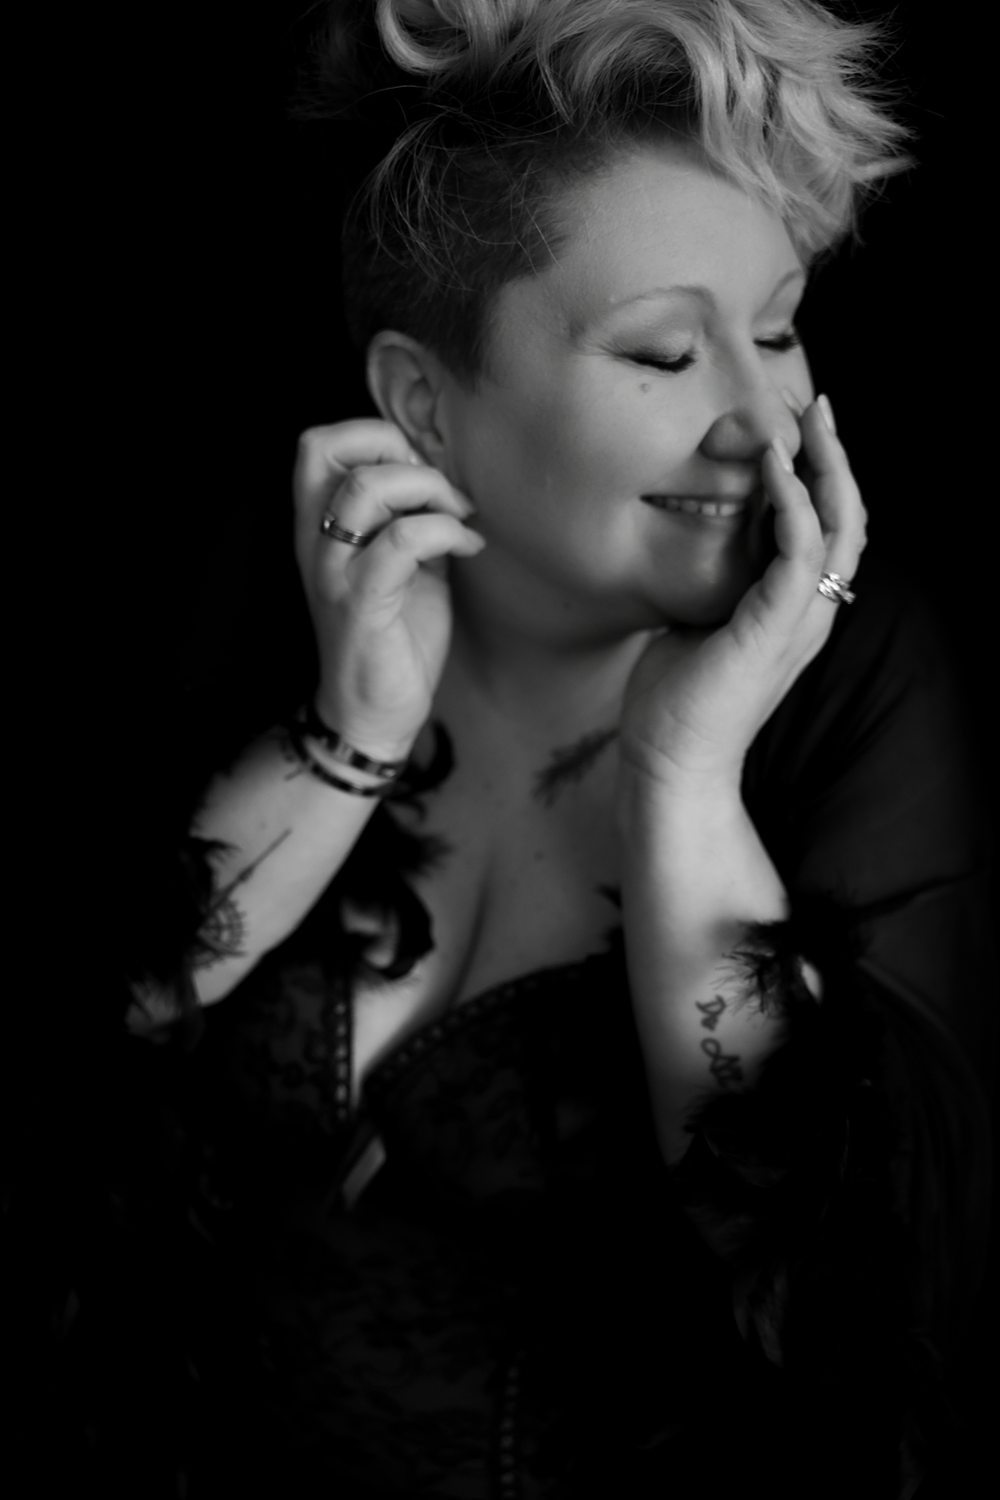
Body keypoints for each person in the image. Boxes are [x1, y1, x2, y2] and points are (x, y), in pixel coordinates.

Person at [113, 1, 992, 1495]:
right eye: (662, 352)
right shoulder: (267, 590)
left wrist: (684, 781)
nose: (757, 418)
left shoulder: (866, 673)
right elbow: (65, 1070)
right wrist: (348, 738)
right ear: (422, 405)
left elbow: (840, 1296)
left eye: (776, 331)